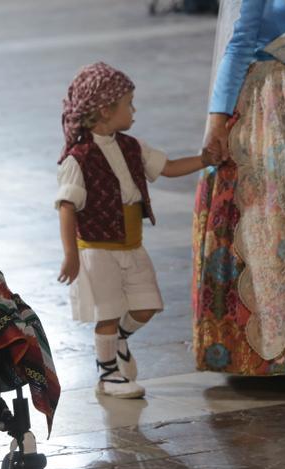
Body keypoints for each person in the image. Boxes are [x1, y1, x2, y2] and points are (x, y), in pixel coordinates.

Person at [56, 62, 215, 399]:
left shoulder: (131, 146)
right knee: (108, 313)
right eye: (128, 103)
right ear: (104, 110)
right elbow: (67, 206)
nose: (134, 110)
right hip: (99, 251)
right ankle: (108, 373)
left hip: (131, 245)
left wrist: (204, 159)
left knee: (147, 306)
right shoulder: (78, 159)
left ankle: (120, 341)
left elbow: (168, 167)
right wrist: (71, 254)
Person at [194, 0, 285, 375]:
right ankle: (282, 354)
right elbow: (240, 42)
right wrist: (217, 119)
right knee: (276, 224)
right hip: (273, 107)